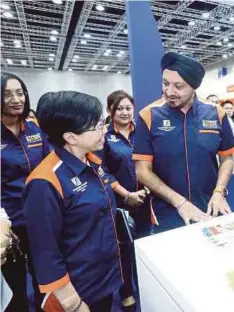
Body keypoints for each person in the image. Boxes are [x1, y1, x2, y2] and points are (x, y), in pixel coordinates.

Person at [22, 91, 123, 312]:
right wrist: (72, 303)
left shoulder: (93, 163)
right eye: (97, 125)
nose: (104, 129)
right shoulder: (45, 182)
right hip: (77, 293)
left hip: (103, 282)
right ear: (71, 137)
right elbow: (45, 253)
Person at [133, 52, 234, 232]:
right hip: (167, 212)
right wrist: (180, 203)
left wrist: (219, 191)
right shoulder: (148, 116)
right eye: (166, 83)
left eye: (179, 86)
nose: (170, 92)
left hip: (211, 207)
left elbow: (227, 158)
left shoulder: (216, 113)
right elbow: (142, 171)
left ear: (194, 87)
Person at [1, 72, 50, 312]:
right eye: (8, 94)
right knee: (16, 288)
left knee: (45, 278)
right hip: (8, 224)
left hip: (39, 217)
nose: (16, 99)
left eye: (20, 93)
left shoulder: (34, 130)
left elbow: (50, 166)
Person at [99, 90, 147, 312]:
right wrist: (127, 194)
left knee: (146, 246)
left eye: (128, 108)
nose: (125, 112)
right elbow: (102, 171)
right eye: (119, 108)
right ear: (110, 110)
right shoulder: (104, 136)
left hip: (148, 199)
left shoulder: (144, 132)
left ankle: (148, 287)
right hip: (119, 204)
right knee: (124, 251)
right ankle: (126, 291)